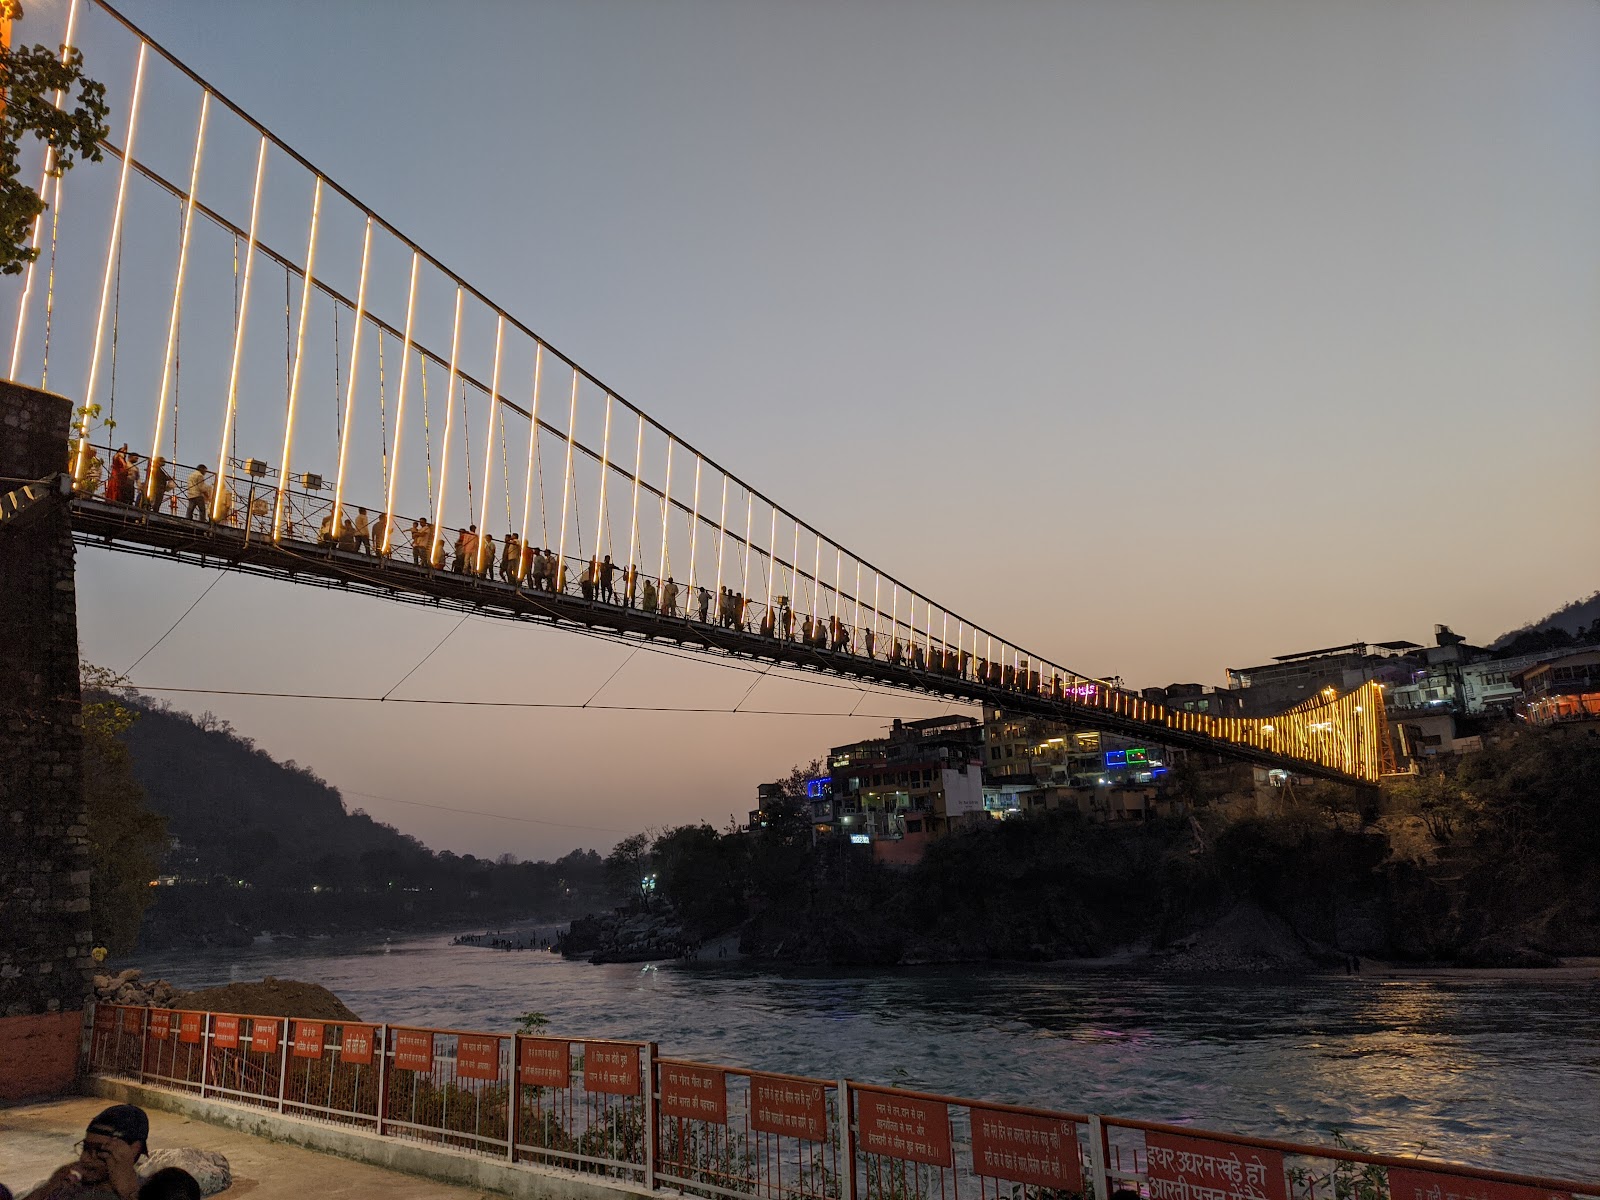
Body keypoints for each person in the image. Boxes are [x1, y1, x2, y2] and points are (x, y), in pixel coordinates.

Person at [24, 1103, 148, 1199]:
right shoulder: (68, 1188)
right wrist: (47, 1189)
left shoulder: (154, 1191)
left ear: (133, 1149)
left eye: (99, 1150)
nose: (84, 1158)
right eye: (85, 1148)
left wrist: (128, 1192)